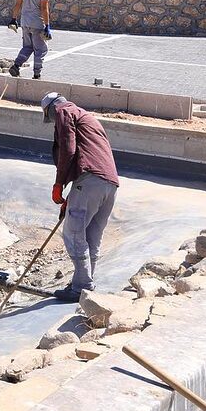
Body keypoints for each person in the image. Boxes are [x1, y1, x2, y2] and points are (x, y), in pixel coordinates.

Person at [41, 92, 120, 302]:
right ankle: (84, 283)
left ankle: (81, 286)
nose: (53, 122)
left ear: (51, 109)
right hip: (109, 184)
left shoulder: (64, 111)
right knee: (92, 236)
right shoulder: (87, 117)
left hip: (90, 179)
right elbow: (83, 153)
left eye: (50, 117)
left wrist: (59, 183)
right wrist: (71, 194)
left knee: (74, 233)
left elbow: (68, 148)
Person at [9, 0, 53, 80]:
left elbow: (18, 3)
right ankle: (36, 74)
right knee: (41, 49)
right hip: (37, 23)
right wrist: (47, 25)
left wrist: (14, 19)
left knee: (27, 47)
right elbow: (44, 8)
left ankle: (16, 65)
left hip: (25, 22)